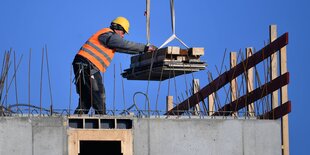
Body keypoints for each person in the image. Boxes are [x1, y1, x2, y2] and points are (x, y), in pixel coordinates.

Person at [72, 16, 157, 115]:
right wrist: (146, 48)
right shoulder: (108, 35)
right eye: (123, 32)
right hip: (87, 66)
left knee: (87, 98)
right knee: (98, 93)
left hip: (84, 66)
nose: (123, 36)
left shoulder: (109, 39)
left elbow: (125, 49)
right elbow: (125, 44)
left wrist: (143, 51)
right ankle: (102, 120)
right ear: (118, 28)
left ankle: (77, 121)